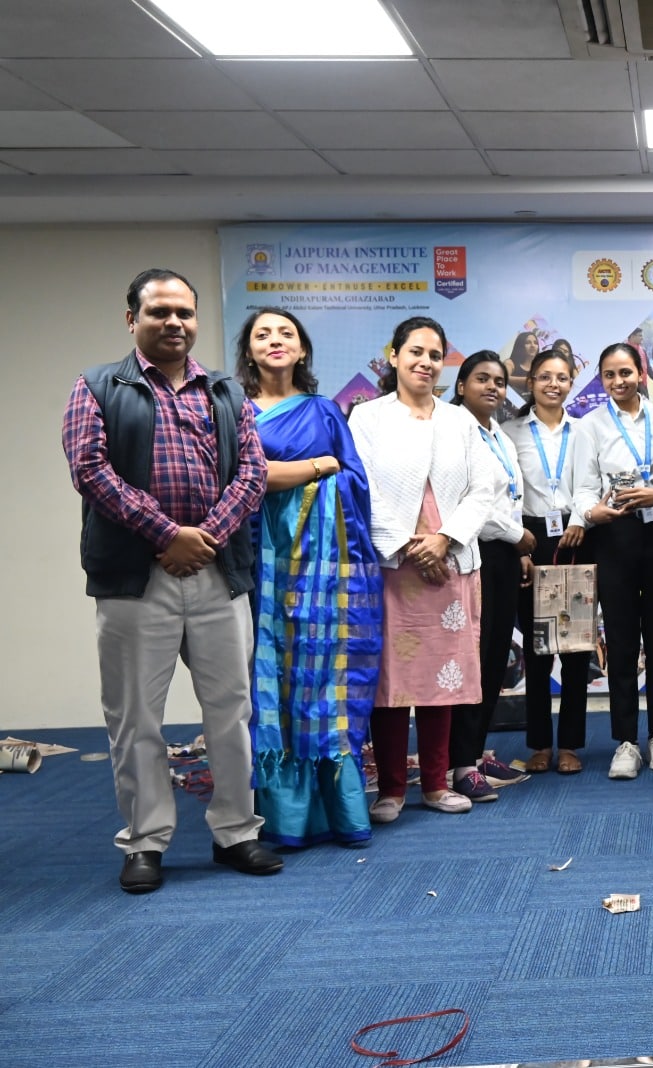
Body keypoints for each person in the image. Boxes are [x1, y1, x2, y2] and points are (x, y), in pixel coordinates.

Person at [63, 267, 279, 893]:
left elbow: (252, 474)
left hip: (217, 573)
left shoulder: (225, 391)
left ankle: (237, 834)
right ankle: (145, 843)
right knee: (136, 718)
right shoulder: (99, 386)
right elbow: (91, 470)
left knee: (231, 712)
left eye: (184, 313)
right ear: (132, 319)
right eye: (159, 312)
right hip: (136, 578)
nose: (174, 323)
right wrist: (167, 536)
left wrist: (204, 537)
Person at [235, 307, 383, 849]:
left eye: (286, 334)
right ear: (248, 350)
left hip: (323, 571)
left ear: (302, 351)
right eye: (262, 334)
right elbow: (240, 481)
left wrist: (311, 478)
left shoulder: (324, 411)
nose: (275, 341)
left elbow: (356, 482)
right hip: (259, 562)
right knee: (272, 677)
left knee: (325, 679)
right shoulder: (234, 411)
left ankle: (342, 811)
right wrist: (316, 468)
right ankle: (285, 817)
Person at [349, 317, 499, 823]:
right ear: (394, 356)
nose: (425, 362)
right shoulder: (366, 418)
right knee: (390, 682)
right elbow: (359, 488)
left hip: (451, 564)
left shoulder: (459, 420)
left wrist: (444, 540)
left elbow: (486, 486)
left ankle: (436, 784)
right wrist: (410, 548)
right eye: (415, 351)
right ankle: (390, 789)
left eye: (435, 354)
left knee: (443, 679)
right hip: (394, 567)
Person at [569, 342, 653, 779]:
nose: (618, 382)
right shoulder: (589, 426)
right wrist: (590, 513)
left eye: (626, 373)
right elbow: (582, 488)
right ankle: (626, 741)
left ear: (642, 374)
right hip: (614, 534)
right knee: (619, 641)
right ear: (602, 379)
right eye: (609, 375)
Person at [448, 351, 538, 802]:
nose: (492, 387)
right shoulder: (452, 430)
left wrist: (518, 549)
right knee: (474, 659)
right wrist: (518, 535)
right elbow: (471, 504)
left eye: (499, 381)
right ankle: (458, 764)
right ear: (461, 385)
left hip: (503, 556)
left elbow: (509, 493)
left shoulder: (497, 432)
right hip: (473, 551)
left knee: (494, 658)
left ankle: (476, 752)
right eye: (481, 379)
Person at [505, 347, 593, 775]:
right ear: (530, 383)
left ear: (570, 383)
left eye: (561, 377)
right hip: (529, 540)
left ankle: (572, 744)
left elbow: (591, 483)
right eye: (544, 377)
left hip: (577, 538)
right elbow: (506, 491)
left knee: (575, 651)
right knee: (538, 653)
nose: (553, 384)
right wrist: (521, 545)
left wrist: (579, 519)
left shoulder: (584, 431)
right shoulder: (511, 431)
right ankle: (539, 743)